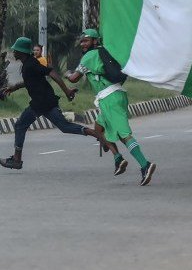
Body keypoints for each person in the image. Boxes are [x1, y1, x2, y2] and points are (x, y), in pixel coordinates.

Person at [65, 29, 156, 185]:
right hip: (114, 95)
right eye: (82, 41)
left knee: (124, 134)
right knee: (98, 130)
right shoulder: (105, 52)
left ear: (95, 41)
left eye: (86, 40)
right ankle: (118, 158)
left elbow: (74, 78)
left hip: (109, 98)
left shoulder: (88, 57)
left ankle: (145, 165)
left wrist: (67, 74)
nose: (83, 43)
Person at [0, 36, 102, 170]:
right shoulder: (29, 64)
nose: (13, 52)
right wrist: (15, 87)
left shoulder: (31, 64)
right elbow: (31, 81)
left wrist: (66, 90)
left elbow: (51, 72)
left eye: (16, 50)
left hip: (40, 103)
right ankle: (96, 134)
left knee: (20, 125)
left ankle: (17, 160)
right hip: (47, 101)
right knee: (64, 126)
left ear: (22, 52)